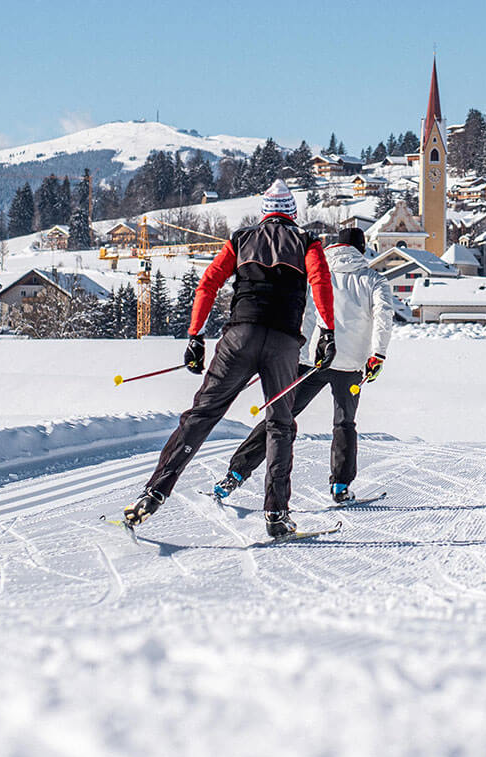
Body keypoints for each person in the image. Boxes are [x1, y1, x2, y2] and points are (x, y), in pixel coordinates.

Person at [124, 180, 334, 540]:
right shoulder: (307, 241)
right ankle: (276, 513)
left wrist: (195, 336)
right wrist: (327, 332)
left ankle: (154, 492)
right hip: (283, 343)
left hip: (239, 337)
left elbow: (208, 284)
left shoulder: (241, 238)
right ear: (293, 213)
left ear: (264, 212)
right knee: (280, 425)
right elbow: (320, 283)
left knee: (202, 415)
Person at [213, 226, 393, 506]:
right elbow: (384, 316)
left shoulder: (316, 274)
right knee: (344, 423)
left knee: (280, 417)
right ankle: (341, 486)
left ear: (336, 247)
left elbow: (302, 312)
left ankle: (235, 474)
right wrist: (377, 355)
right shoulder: (374, 280)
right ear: (361, 249)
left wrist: (291, 349)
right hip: (351, 365)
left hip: (312, 358)